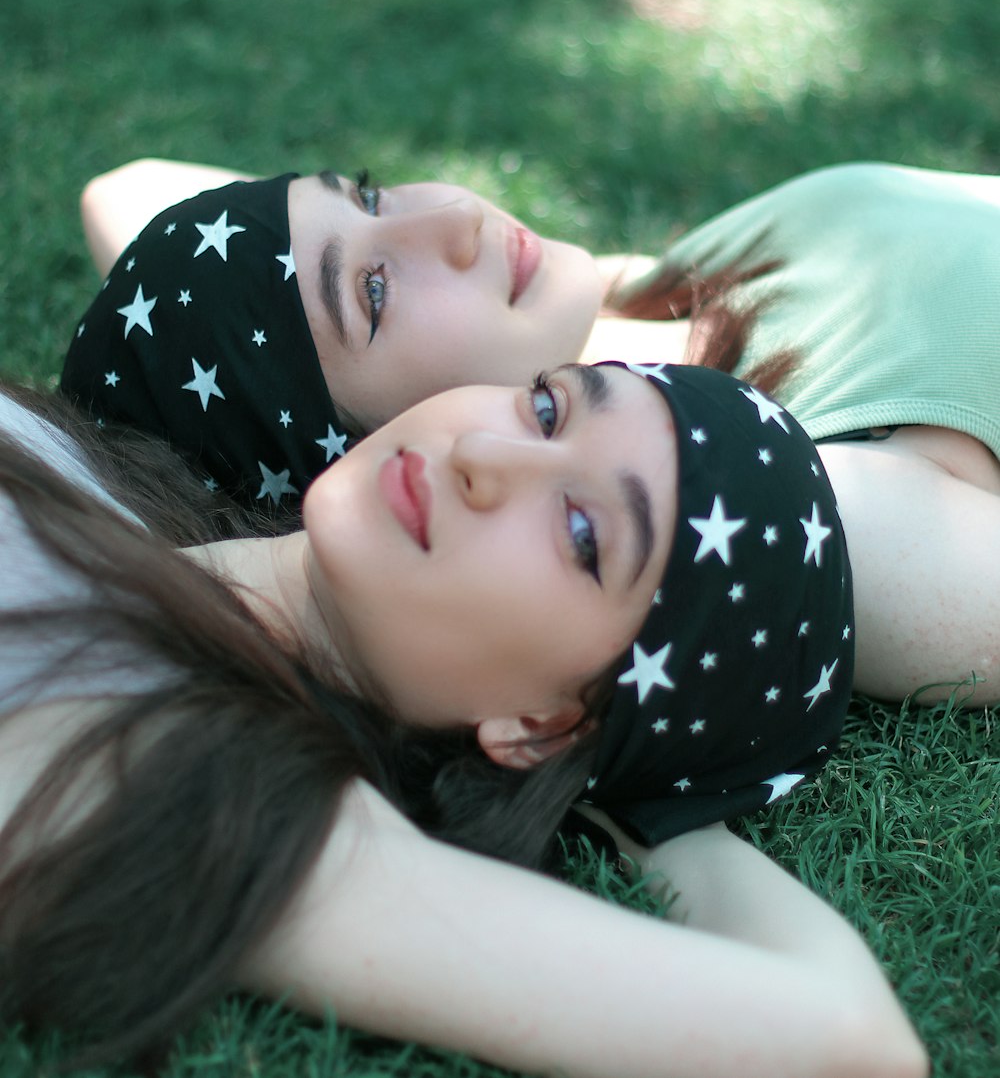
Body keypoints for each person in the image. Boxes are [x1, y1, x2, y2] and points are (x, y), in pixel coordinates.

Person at [0, 364, 926, 1076]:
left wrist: (665, 808)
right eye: (549, 409)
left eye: (582, 536)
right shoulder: (95, 470)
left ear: (542, 724)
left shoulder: (226, 797)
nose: (485, 459)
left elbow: (849, 1036)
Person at [66, 158, 1000, 708]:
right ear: (388, 460)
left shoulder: (624, 310)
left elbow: (130, 184)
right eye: (376, 294)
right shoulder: (809, 503)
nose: (458, 215)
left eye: (371, 192)